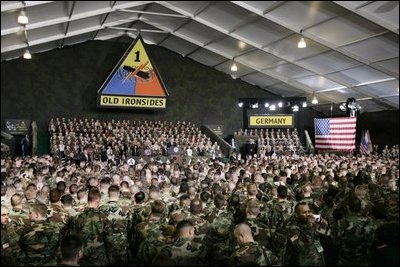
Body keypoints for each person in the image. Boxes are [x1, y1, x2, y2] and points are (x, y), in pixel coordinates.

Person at [283, 202, 326, 266]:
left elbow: (317, 243)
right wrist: (309, 227)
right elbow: (300, 247)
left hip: (317, 262)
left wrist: (324, 226)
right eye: (304, 212)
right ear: (297, 215)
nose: (308, 214)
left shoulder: (311, 226)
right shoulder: (292, 230)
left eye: (309, 211)